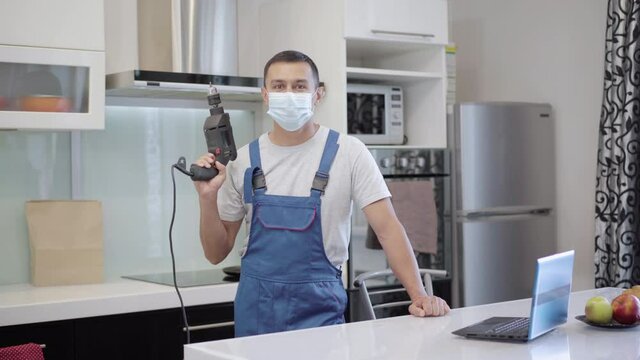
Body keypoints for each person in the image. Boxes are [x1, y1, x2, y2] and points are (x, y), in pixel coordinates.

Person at [193, 50, 450, 337]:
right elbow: (215, 254)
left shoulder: (349, 153)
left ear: (318, 94)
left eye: (300, 86)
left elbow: (389, 229)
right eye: (279, 86)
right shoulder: (242, 161)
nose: (289, 93)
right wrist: (206, 198)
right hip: (256, 322)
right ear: (265, 94)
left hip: (321, 321)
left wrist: (419, 295)